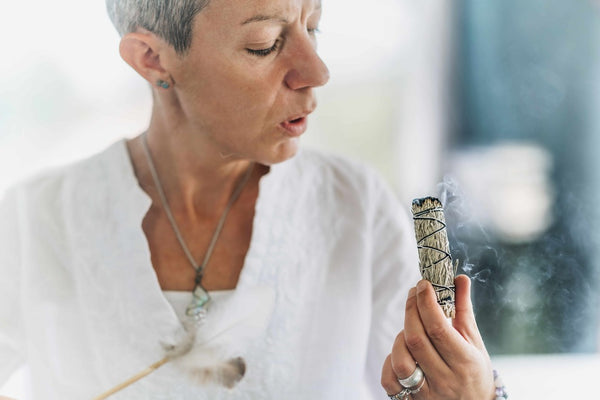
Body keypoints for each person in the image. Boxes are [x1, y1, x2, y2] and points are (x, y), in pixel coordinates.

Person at [0, 0, 503, 399]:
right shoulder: (34, 221)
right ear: (152, 59)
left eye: (314, 27)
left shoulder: (355, 208)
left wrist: (474, 396)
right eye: (265, 44)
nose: (316, 70)